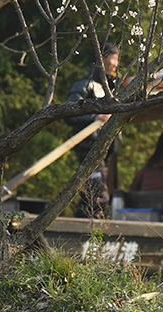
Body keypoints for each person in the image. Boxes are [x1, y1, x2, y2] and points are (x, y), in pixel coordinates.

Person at [65, 41, 120, 218]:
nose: (116, 64)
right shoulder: (83, 86)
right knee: (97, 197)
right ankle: (89, 237)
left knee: (97, 195)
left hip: (108, 151)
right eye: (114, 58)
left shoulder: (113, 88)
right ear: (101, 59)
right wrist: (94, 118)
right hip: (89, 148)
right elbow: (68, 113)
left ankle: (85, 235)